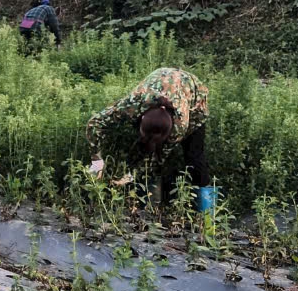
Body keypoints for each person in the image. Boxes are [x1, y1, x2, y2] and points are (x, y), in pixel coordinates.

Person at [85, 67, 215, 213]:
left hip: (194, 100)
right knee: (142, 149)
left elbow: (157, 160)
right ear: (141, 118)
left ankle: (207, 215)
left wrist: (131, 175)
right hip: (160, 80)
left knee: (194, 158)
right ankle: (149, 206)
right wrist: (97, 161)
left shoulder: (180, 125)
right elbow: (95, 123)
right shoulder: (133, 103)